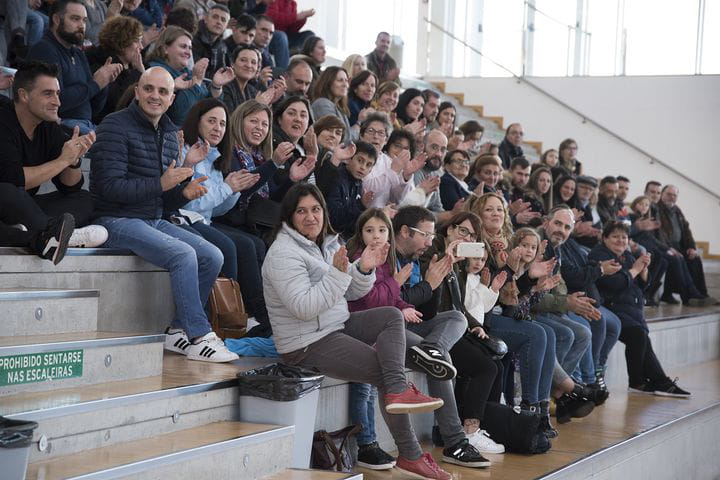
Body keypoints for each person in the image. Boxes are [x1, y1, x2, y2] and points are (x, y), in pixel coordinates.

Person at [262, 182, 453, 480]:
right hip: (306, 342)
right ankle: (411, 455)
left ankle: (399, 391)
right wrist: (339, 274)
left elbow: (349, 293)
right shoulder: (283, 254)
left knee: (391, 316)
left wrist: (363, 269)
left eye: (315, 209)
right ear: (289, 216)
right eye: (302, 211)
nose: (311, 217)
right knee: (383, 373)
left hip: (333, 325)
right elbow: (303, 307)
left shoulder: (320, 244)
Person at [89, 67, 238, 363]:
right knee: (183, 254)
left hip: (152, 218)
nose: (154, 96)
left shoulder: (171, 134)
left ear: (172, 99)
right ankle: (199, 335)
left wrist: (181, 194)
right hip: (114, 218)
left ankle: (178, 331)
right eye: (149, 89)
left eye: (162, 91)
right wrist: (161, 184)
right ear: (137, 92)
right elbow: (107, 188)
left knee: (213, 255)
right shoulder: (114, 125)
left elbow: (162, 202)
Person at [394, 205, 493, 468]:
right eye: (424, 235)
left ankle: (433, 351)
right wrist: (430, 283)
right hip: (390, 328)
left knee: (456, 319)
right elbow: (392, 303)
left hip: (417, 327)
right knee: (444, 357)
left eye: (430, 236)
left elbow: (428, 311)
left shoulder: (420, 258)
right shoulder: (389, 256)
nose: (428, 242)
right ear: (404, 232)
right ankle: (456, 443)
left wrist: (440, 277)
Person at [179, 98, 281, 337]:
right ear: (198, 122)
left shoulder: (216, 155)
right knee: (232, 246)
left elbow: (217, 209)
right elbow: (191, 201)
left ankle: (255, 316)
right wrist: (228, 188)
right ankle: (227, 318)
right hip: (184, 218)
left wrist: (233, 189)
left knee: (253, 243)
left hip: (206, 219)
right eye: (212, 121)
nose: (218, 128)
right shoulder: (187, 150)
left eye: (222, 124)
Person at [467, 192, 558, 436]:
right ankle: (528, 410)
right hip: (479, 317)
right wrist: (523, 275)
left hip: (499, 313)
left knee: (548, 332)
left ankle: (541, 408)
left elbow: (512, 303)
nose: (496, 213)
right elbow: (492, 293)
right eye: (489, 209)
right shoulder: (475, 243)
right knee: (537, 334)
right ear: (478, 213)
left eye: (500, 209)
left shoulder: (507, 244)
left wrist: (529, 278)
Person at [0, 61, 107, 246]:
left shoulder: (48, 128)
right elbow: (14, 180)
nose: (57, 102)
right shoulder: (3, 121)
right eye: (48, 94)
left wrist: (73, 160)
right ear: (24, 95)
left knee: (84, 199)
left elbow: (70, 187)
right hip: (5, 200)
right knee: (5, 189)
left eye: (57, 94)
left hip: (24, 210)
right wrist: (62, 160)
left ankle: (40, 233)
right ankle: (55, 234)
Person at [431, 211, 507, 454]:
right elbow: (434, 300)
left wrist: (475, 324)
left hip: (457, 324)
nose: (467, 237)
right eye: (463, 231)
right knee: (487, 367)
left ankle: (487, 425)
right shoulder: (434, 254)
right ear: (449, 230)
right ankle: (470, 430)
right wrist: (446, 259)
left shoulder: (461, 264)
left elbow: (459, 304)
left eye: (472, 235)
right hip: (437, 326)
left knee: (498, 363)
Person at [589, 221, 691, 397]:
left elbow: (640, 287)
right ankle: (645, 382)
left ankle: (650, 381)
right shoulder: (599, 255)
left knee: (641, 339)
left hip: (630, 311)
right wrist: (635, 270)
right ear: (604, 238)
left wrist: (644, 274)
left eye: (624, 237)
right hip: (610, 309)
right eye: (615, 236)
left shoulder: (628, 256)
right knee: (637, 336)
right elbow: (614, 283)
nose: (620, 240)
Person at [27, 0, 123, 134]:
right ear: (56, 19)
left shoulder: (78, 54)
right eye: (75, 19)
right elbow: (56, 101)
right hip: (61, 125)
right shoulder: (45, 50)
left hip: (86, 124)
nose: (81, 26)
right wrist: (95, 84)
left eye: (84, 20)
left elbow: (92, 109)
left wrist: (103, 83)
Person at [146, 26, 235, 126]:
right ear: (166, 48)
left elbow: (210, 109)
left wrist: (216, 86)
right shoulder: (155, 71)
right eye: (183, 47)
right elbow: (181, 114)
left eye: (190, 48)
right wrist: (196, 81)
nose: (188, 53)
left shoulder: (188, 72)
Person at [656, 185, 718, 305]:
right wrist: (670, 248)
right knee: (677, 258)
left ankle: (702, 294)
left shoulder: (677, 210)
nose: (671, 197)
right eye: (669, 194)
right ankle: (689, 297)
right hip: (664, 246)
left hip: (679, 246)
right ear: (662, 194)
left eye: (674, 195)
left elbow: (686, 231)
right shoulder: (656, 209)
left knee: (694, 258)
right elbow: (659, 234)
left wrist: (691, 247)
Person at [86, 15, 145, 124]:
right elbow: (116, 102)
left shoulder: (131, 66)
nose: (141, 47)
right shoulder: (102, 63)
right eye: (137, 41)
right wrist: (139, 73)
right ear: (123, 41)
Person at [361, 114, 418, 209]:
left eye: (381, 133)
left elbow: (396, 199)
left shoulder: (389, 162)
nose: (375, 136)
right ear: (361, 135)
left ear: (386, 140)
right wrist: (392, 171)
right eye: (371, 131)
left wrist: (406, 177)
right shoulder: (354, 156)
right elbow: (368, 190)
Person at [324, 141, 378, 239]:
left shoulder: (358, 183)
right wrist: (360, 204)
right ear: (349, 158)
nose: (363, 167)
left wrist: (362, 206)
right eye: (360, 160)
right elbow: (334, 218)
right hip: (328, 235)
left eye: (368, 164)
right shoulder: (336, 178)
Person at [310, 66, 351, 141]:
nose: (345, 84)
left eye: (346, 80)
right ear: (328, 83)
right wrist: (359, 123)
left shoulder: (340, 108)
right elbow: (338, 136)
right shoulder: (322, 104)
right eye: (340, 80)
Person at [192, 4, 231, 78]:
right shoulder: (193, 39)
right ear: (205, 19)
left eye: (223, 20)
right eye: (215, 17)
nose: (219, 22)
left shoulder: (223, 47)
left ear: (227, 26)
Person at [573, 175, 602, 248]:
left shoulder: (590, 206)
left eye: (590, 189)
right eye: (582, 187)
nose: (587, 191)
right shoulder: (571, 204)